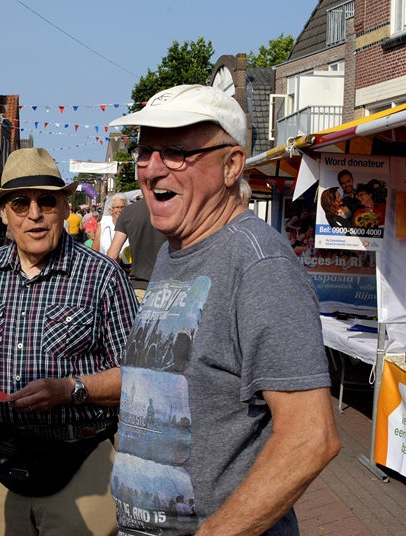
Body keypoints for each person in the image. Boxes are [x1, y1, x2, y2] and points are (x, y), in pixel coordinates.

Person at [108, 84, 340, 535]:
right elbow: (168, 374)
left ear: (232, 165)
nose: (152, 170)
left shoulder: (259, 265)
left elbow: (310, 437)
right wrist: (71, 388)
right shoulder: (179, 250)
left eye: (175, 152)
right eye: (145, 150)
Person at [0, 147, 138, 536]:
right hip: (0, 456)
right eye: (20, 202)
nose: (34, 214)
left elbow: (139, 377)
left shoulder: (102, 276)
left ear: (65, 206)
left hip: (83, 457)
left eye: (46, 201)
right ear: (4, 213)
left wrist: (71, 390)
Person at [106, 196, 167, 301]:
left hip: (139, 287)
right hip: (170, 287)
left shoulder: (128, 212)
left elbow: (112, 256)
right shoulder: (173, 209)